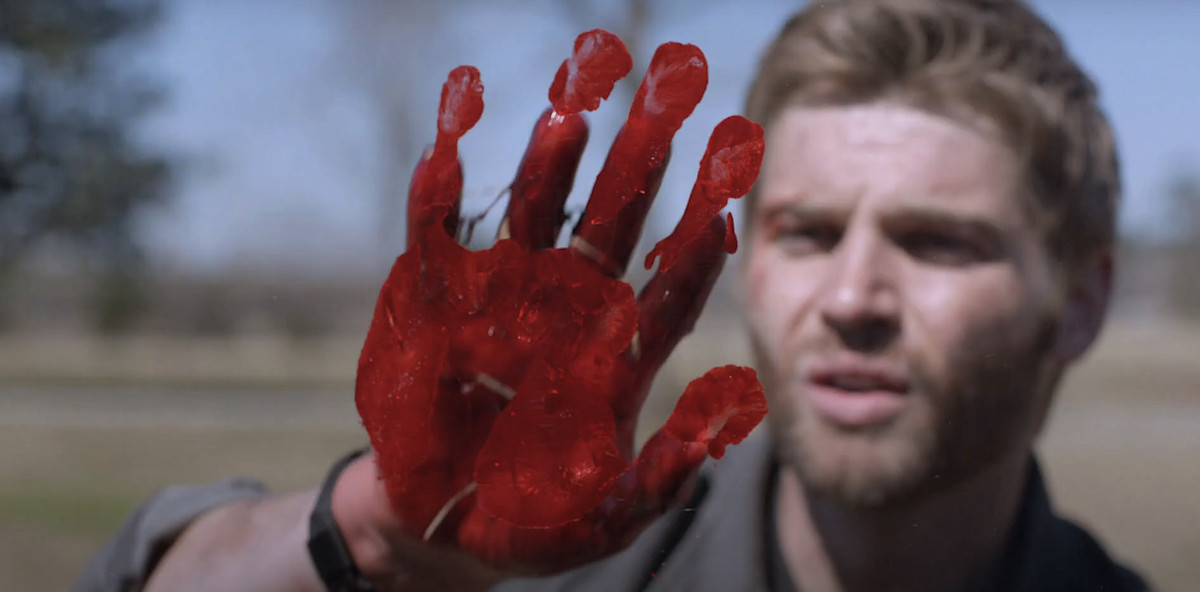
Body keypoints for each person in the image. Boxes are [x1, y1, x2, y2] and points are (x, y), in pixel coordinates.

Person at [74, 0, 1152, 590]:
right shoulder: (553, 558)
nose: (853, 295)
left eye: (940, 242)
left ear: (1083, 299)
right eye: (806, 233)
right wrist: (375, 542)